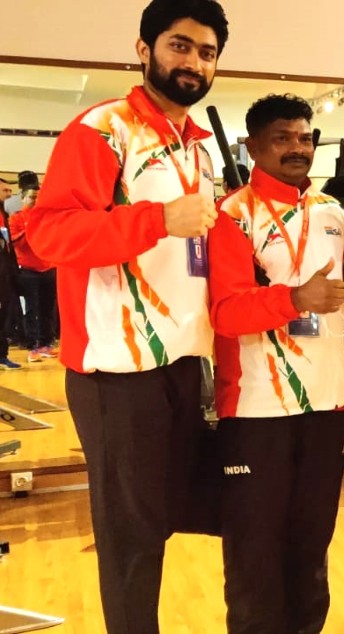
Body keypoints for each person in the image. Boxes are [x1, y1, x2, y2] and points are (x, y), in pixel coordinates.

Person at [25, 1, 228, 632]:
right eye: (179, 45)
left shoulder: (197, 148)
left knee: (164, 516)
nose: (193, 62)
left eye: (206, 52)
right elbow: (49, 235)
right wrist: (158, 220)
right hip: (118, 370)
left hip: (183, 360)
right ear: (145, 50)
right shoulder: (102, 129)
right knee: (131, 537)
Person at [207, 93, 344, 633]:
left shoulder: (333, 213)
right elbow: (225, 313)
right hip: (256, 410)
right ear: (252, 147)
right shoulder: (231, 216)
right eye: (282, 138)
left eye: (305, 137)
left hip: (325, 403)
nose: (298, 148)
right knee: (254, 553)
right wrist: (295, 300)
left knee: (311, 547)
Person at [9, 187, 57, 362]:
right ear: (23, 198)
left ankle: (45, 343)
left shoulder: (46, 217)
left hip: (48, 267)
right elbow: (14, 242)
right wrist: (29, 229)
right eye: (32, 197)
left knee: (47, 309)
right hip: (28, 270)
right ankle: (32, 346)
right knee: (32, 309)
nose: (35, 200)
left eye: (38, 197)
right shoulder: (16, 218)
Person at [0, 182, 21, 369]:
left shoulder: (4, 214)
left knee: (6, 314)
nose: (9, 194)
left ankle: (2, 355)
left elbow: (7, 246)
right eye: (5, 190)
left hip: (5, 273)